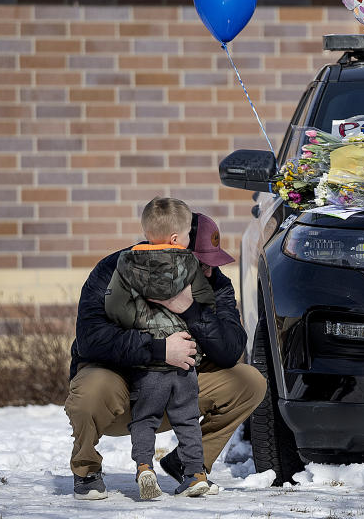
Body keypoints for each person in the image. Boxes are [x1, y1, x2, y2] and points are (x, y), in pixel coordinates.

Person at [64, 203, 266, 501]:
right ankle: (86, 470)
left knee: (249, 382)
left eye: (213, 263)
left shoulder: (214, 283)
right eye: (201, 262)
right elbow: (92, 339)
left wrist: (191, 309)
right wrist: (160, 350)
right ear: (173, 248)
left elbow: (230, 349)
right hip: (120, 393)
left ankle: (189, 463)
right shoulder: (114, 269)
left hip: (176, 392)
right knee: (90, 389)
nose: (210, 270)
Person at [103, 197, 214, 499]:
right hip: (185, 358)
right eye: (189, 234)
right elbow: (204, 303)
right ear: (177, 238)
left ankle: (143, 467)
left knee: (145, 418)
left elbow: (113, 306)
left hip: (150, 364)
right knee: (187, 419)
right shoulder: (190, 263)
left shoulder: (127, 262)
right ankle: (195, 474)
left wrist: (137, 320)